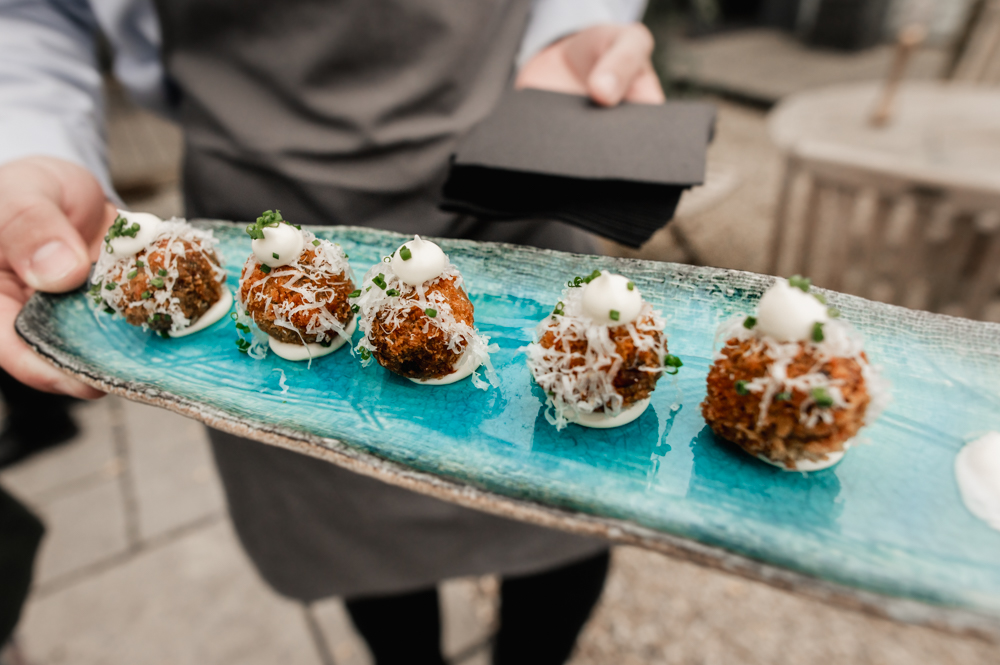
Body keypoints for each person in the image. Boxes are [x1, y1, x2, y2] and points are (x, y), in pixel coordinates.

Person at [0, 1, 665, 662]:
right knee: (359, 548)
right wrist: (29, 144)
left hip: (507, 180)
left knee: (556, 525)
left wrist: (573, 28)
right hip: (261, 200)